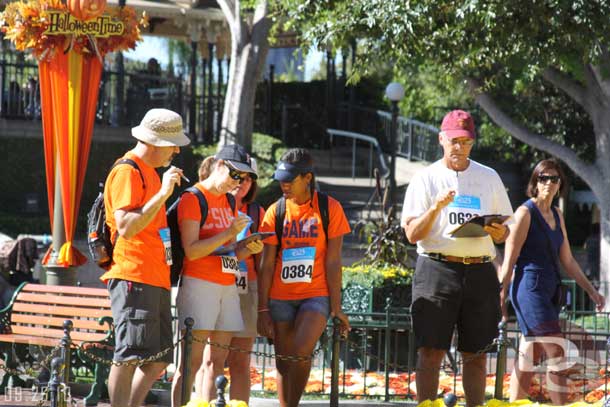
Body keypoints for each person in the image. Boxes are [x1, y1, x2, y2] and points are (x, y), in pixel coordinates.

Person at [400, 110, 513, 407]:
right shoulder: (425, 178)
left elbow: (505, 232)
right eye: (453, 141)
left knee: (476, 355)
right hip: (436, 269)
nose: (459, 147)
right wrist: (436, 208)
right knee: (430, 352)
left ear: (473, 143)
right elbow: (412, 234)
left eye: (465, 141)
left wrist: (499, 230)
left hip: (479, 271)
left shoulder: (489, 177)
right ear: (441, 139)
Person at [101, 108, 190, 407]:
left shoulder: (150, 173)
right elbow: (126, 226)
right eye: (172, 144)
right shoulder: (128, 170)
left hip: (155, 276)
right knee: (128, 356)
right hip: (133, 275)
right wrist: (164, 193)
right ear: (153, 142)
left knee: (157, 361)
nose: (177, 150)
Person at [499, 159, 604, 403]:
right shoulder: (524, 213)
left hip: (550, 288)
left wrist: (591, 291)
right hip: (529, 288)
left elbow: (567, 260)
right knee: (557, 352)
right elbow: (509, 260)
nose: (548, 183)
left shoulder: (557, 214)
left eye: (553, 179)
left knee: (530, 351)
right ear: (535, 182)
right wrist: (501, 296)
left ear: (560, 185)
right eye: (543, 178)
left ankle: (516, 404)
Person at [257, 148, 351, 407]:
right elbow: (266, 265)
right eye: (281, 178)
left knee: (300, 350)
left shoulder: (329, 208)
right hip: (280, 297)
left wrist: (336, 307)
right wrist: (262, 308)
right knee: (283, 359)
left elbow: (333, 261)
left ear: (307, 178)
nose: (283, 184)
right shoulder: (275, 211)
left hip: (315, 294)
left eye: (290, 179)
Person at [171, 144, 263, 406]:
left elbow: (229, 253)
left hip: (228, 285)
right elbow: (192, 251)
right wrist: (227, 233)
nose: (238, 183)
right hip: (199, 284)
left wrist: (247, 249)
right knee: (190, 364)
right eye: (235, 175)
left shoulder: (229, 201)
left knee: (217, 362)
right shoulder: (193, 198)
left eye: (244, 178)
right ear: (220, 166)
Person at [226, 158, 265, 404]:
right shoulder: (211, 204)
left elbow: (262, 261)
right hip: (213, 284)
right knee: (213, 359)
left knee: (240, 360)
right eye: (238, 176)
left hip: (246, 287)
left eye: (249, 178)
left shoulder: (255, 212)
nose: (243, 182)